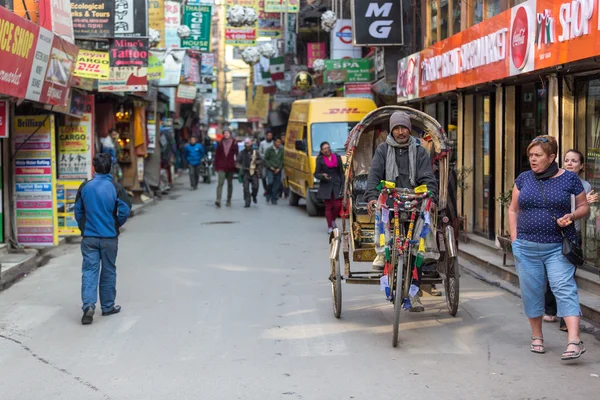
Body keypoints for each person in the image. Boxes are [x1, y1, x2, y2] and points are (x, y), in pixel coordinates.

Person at [508, 135, 590, 361]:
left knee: (564, 287)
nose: (532, 160)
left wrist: (572, 215)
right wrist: (515, 239)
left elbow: (584, 207)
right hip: (526, 247)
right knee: (532, 292)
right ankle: (537, 337)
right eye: (530, 155)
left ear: (552, 157)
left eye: (538, 155)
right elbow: (513, 210)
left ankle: (574, 341)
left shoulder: (569, 180)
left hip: (557, 247)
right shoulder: (523, 179)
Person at [365, 111, 438, 312]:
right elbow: (374, 175)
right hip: (391, 201)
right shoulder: (382, 150)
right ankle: (381, 253)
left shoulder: (419, 150)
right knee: (381, 214)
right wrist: (372, 196)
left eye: (403, 128)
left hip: (414, 202)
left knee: (416, 248)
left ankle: (414, 296)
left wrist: (430, 195)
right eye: (396, 128)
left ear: (409, 129)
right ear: (391, 130)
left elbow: (427, 177)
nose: (400, 132)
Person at [75, 153, 132, 325]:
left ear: (95, 168)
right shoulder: (116, 187)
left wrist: (83, 227)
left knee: (89, 271)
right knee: (108, 271)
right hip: (109, 237)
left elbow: (78, 211)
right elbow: (125, 209)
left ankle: (88, 305)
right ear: (110, 167)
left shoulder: (85, 186)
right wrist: (116, 224)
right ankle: (107, 307)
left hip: (89, 237)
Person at [543, 149, 598, 330]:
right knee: (552, 275)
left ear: (581, 165)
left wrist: (585, 204)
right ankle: (550, 309)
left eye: (574, 161)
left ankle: (565, 319)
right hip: (553, 233)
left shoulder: (585, 186)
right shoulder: (555, 181)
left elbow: (581, 214)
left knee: (566, 277)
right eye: (566, 160)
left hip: (572, 235)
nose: (569, 163)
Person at [314, 141, 344, 234]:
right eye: (325, 148)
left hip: (337, 184)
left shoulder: (337, 157)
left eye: (328, 147)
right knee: (328, 206)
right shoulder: (320, 160)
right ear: (322, 151)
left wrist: (344, 182)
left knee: (338, 205)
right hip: (326, 185)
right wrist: (322, 175)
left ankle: (333, 219)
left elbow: (341, 172)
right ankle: (330, 226)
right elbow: (316, 174)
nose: (327, 150)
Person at [214, 130, 238, 208]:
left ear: (230, 134)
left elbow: (237, 154)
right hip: (221, 166)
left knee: (230, 184)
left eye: (227, 133)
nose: (226, 134)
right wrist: (216, 166)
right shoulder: (220, 143)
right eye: (225, 133)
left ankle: (228, 200)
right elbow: (216, 155)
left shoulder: (234, 143)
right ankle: (218, 200)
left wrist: (237, 164)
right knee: (220, 183)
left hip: (230, 166)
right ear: (223, 135)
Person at [238, 137, 262, 207]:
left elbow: (261, 160)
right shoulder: (242, 153)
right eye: (246, 143)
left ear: (251, 144)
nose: (247, 145)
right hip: (245, 172)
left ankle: (254, 196)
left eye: (248, 143)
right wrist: (239, 166)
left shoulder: (255, 152)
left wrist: (256, 161)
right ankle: (247, 201)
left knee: (255, 187)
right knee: (246, 188)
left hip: (254, 172)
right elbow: (237, 162)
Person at [264, 137, 284, 205]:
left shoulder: (282, 150)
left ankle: (274, 198)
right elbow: (266, 159)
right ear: (274, 142)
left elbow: (282, 160)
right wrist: (270, 166)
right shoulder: (269, 150)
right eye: (277, 142)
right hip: (270, 169)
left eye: (280, 142)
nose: (278, 144)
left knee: (277, 184)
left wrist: (279, 168)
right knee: (270, 182)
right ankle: (268, 193)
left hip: (278, 169)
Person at [259, 131, 274, 197]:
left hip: (272, 163)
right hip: (264, 163)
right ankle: (266, 189)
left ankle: (271, 190)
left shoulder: (274, 143)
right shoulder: (262, 143)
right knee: (263, 177)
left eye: (270, 135)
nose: (269, 137)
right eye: (268, 135)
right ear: (266, 136)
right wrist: (264, 157)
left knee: (271, 178)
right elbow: (260, 152)